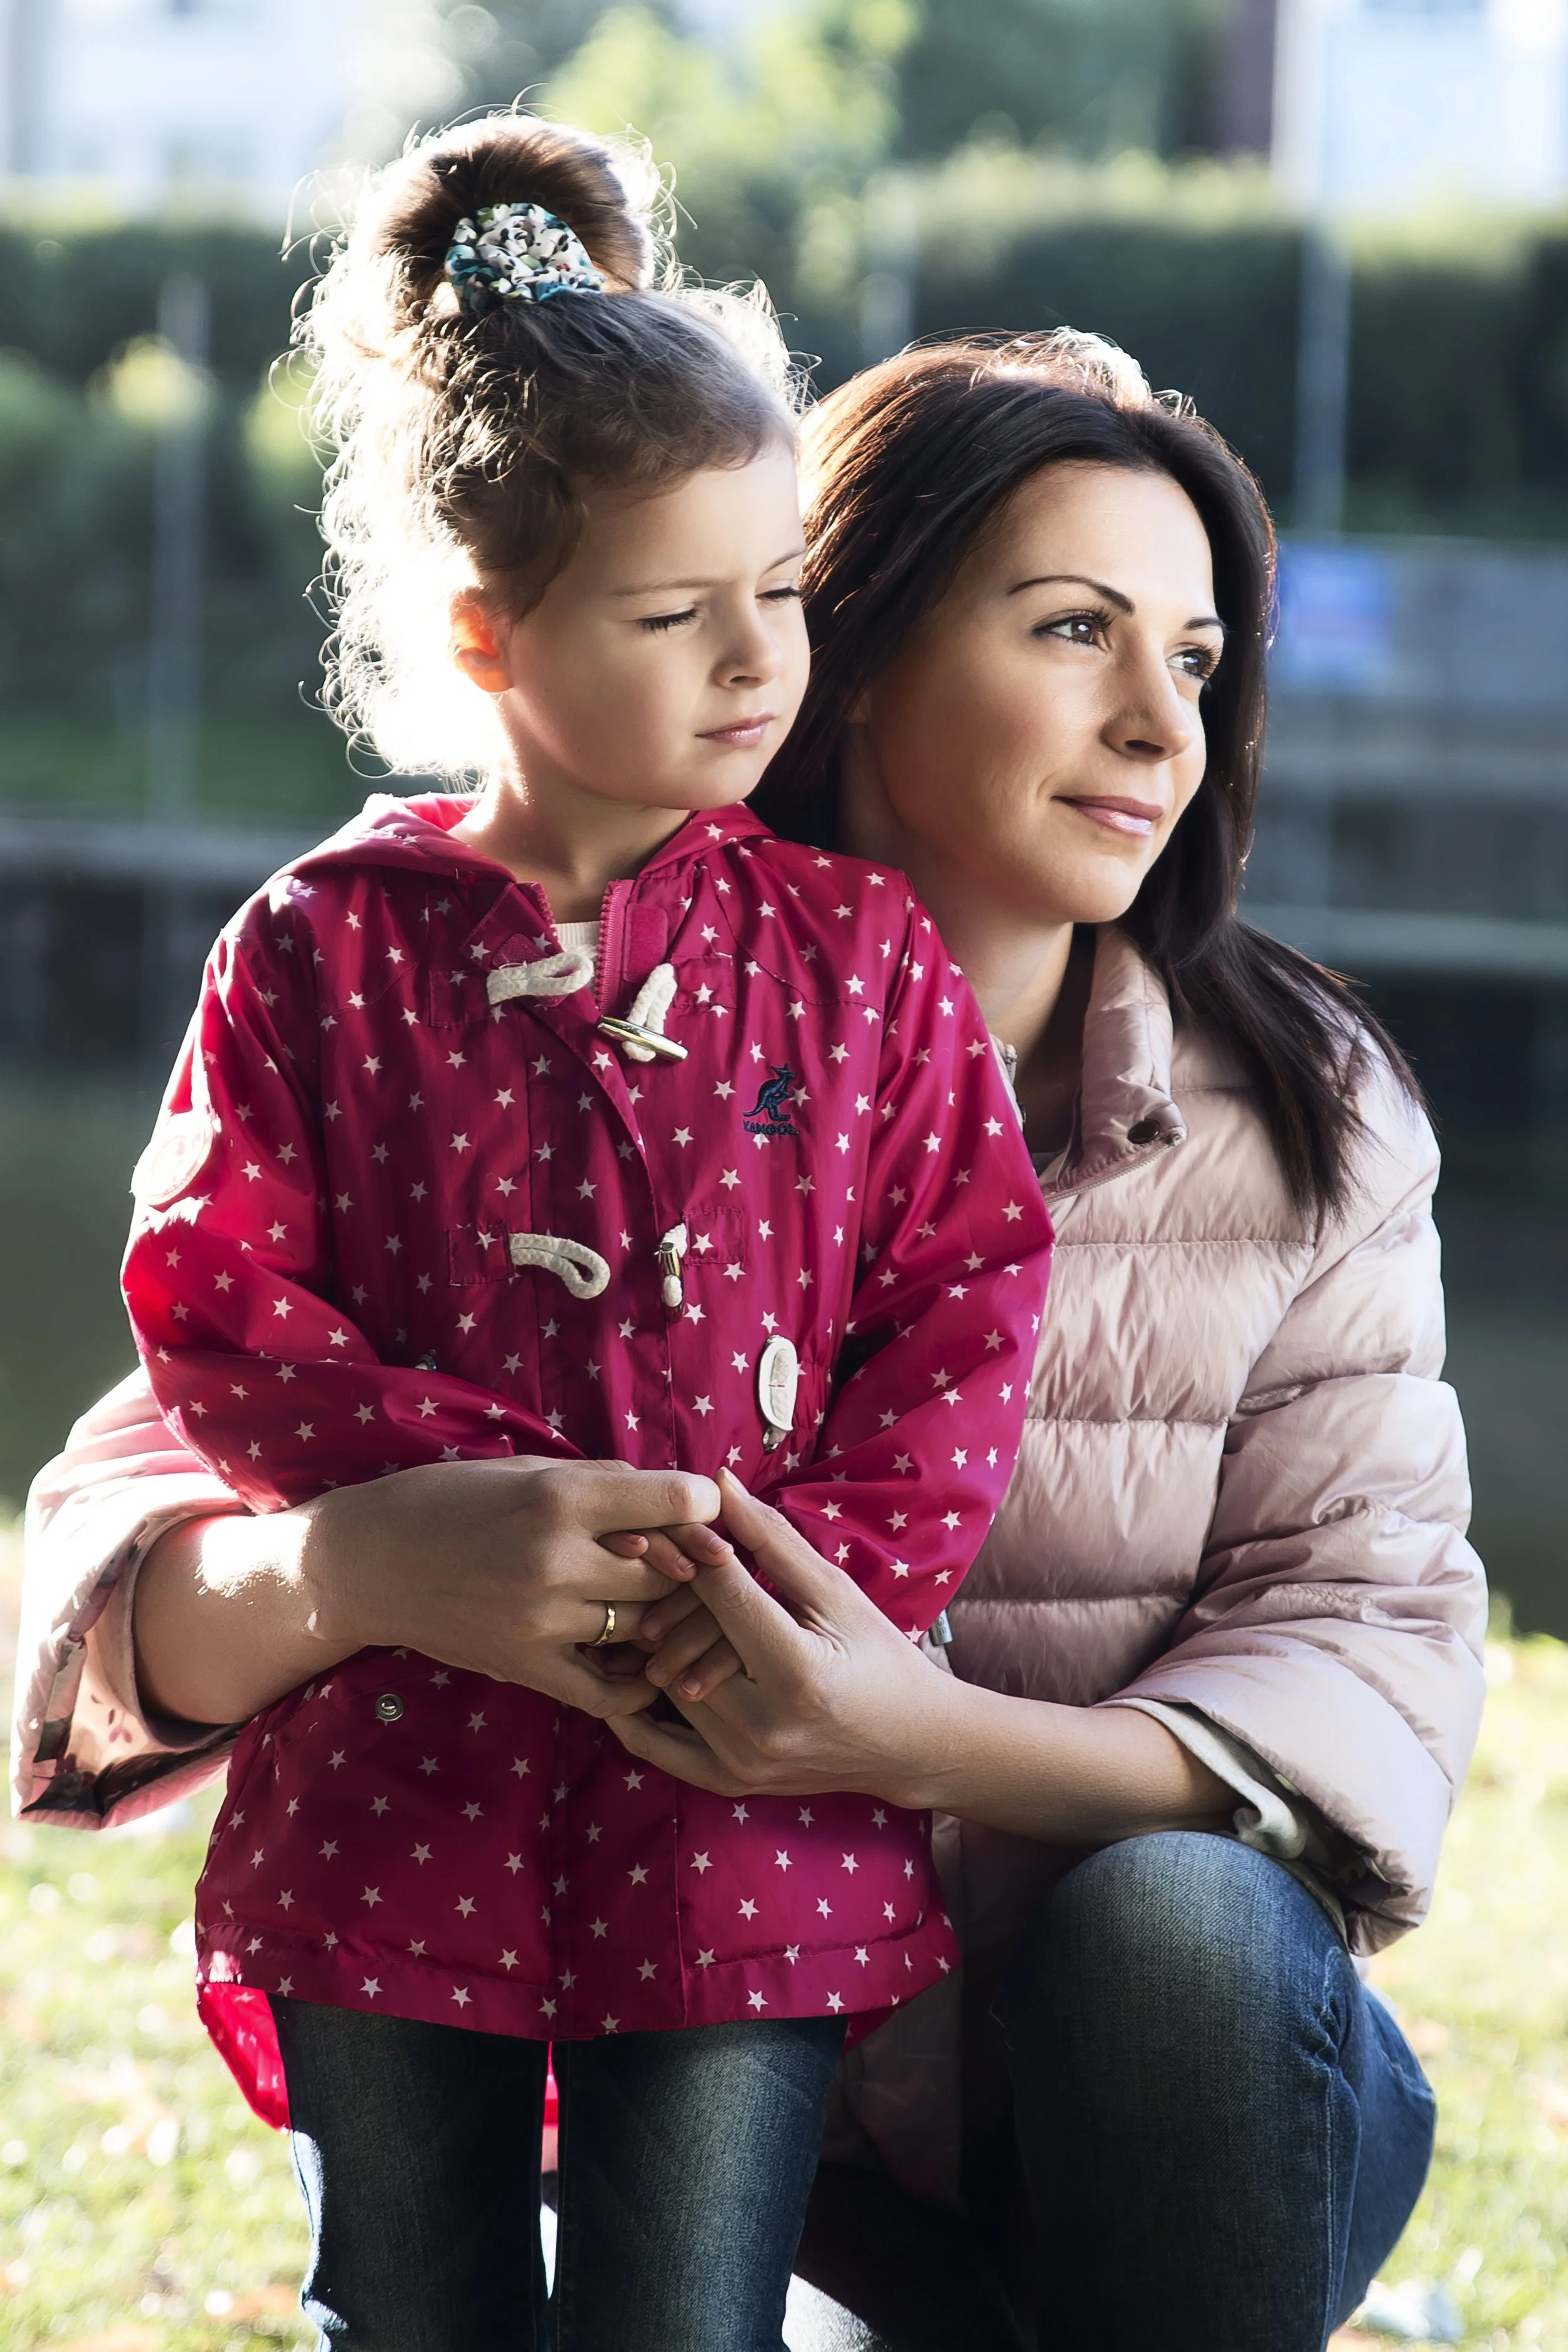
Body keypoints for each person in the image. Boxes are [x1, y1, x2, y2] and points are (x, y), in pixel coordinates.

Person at [16, 329, 1484, 2352]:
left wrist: (884, 1727)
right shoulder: (476, 992)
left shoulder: (1306, 1110)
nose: (1159, 721)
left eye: (1199, 658)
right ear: (852, 638)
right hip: (704, 2074)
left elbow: (1363, 1657)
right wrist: (354, 1564)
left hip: (1135, 2101)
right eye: (1075, 631)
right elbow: (153, 1492)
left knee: (1183, 1931)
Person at [103, 113, 1053, 2352]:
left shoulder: (857, 954)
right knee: (407, 2307)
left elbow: (967, 1290)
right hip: (390, 1789)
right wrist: (464, 1502)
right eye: (671, 612)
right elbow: (213, 1298)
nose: (754, 661)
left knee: (683, 2318)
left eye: (780, 597)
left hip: (744, 1798)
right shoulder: (317, 950)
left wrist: (788, 1590)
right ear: (485, 632)